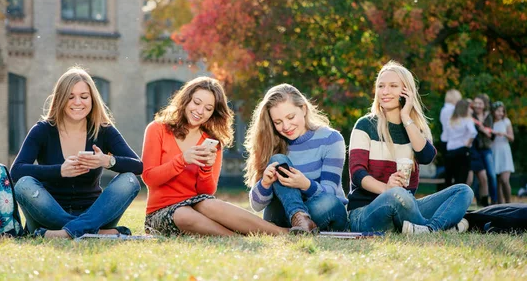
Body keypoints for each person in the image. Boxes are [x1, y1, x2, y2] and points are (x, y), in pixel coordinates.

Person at [142, 76, 287, 236]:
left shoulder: (212, 142)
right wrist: (182, 160)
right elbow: (149, 177)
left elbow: (207, 192)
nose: (200, 111)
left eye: (208, 108)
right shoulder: (157, 129)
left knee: (211, 204)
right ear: (186, 100)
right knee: (183, 214)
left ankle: (281, 233)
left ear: (213, 113)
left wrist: (206, 168)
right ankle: (235, 238)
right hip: (160, 211)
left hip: (197, 205)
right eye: (196, 103)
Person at [10, 67, 143, 239]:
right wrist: (60, 171)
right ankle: (91, 232)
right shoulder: (43, 130)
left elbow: (138, 166)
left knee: (129, 180)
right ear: (60, 99)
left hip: (94, 213)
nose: (78, 102)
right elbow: (17, 171)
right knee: (24, 185)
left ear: (92, 99)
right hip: (48, 213)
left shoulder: (103, 130)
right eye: (70, 97)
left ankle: (63, 233)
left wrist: (106, 161)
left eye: (84, 97)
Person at [348, 60, 473, 234]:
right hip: (365, 212)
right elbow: (357, 174)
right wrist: (386, 189)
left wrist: (406, 116)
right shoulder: (365, 125)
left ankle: (429, 229)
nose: (385, 91)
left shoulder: (414, 128)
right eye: (381, 86)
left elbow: (426, 157)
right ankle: (441, 227)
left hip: (406, 204)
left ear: (406, 91)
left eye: (393, 86)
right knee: (395, 195)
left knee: (463, 190)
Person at [243, 84, 348, 234]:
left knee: (329, 202)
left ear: (304, 109)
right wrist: (265, 183)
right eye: (278, 122)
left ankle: (299, 221)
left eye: (290, 117)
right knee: (278, 159)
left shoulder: (331, 139)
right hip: (285, 215)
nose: (286, 126)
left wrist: (305, 184)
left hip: (326, 211)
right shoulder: (272, 143)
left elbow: (330, 192)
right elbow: (256, 205)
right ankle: (299, 219)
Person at [468, 94, 496, 206]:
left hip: (485, 149)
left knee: (490, 174)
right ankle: (478, 200)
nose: (478, 105)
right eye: (476, 103)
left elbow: (492, 135)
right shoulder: (471, 115)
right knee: (474, 179)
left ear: (484, 105)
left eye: (480, 103)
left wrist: (482, 128)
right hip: (474, 149)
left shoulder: (488, 116)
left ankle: (493, 200)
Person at [445, 99, 477, 187]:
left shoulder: (450, 120)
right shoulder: (467, 120)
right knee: (461, 178)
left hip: (450, 150)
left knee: (450, 177)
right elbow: (473, 133)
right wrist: (467, 144)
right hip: (462, 149)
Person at [491, 101, 515, 204]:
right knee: (497, 182)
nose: (500, 113)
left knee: (504, 180)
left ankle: (509, 203)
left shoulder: (506, 121)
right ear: (493, 111)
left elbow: (512, 137)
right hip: (493, 151)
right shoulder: (490, 122)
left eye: (502, 111)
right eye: (498, 111)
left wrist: (503, 134)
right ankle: (500, 206)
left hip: (504, 152)